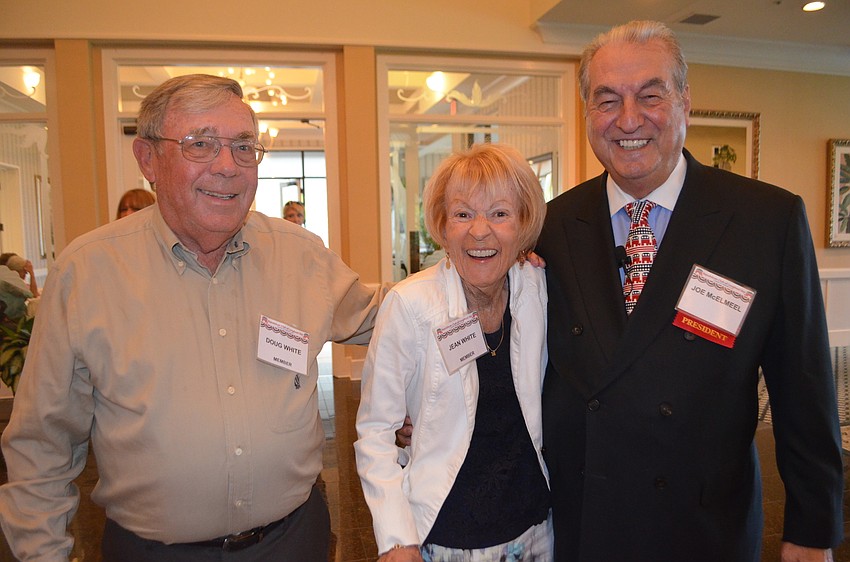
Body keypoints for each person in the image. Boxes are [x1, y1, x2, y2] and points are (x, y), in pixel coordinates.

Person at [0, 74, 386, 561]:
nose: (228, 166)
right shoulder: (88, 273)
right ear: (148, 160)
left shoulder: (302, 257)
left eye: (244, 146)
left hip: (295, 541)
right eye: (200, 144)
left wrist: (491, 273)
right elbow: (41, 448)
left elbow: (390, 315)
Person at [535, 20, 843, 562]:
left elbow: (804, 387)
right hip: (587, 519)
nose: (629, 120)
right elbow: (521, 357)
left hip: (706, 523)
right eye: (607, 100)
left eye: (649, 96)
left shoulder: (765, 220)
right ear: (588, 112)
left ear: (684, 100)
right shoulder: (552, 225)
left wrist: (812, 528)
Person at [355, 143, 552, 561]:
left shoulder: (538, 288)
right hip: (449, 538)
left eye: (500, 214)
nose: (480, 231)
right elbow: (375, 433)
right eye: (463, 214)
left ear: (524, 223)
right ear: (442, 227)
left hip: (536, 529)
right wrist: (396, 540)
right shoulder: (410, 306)